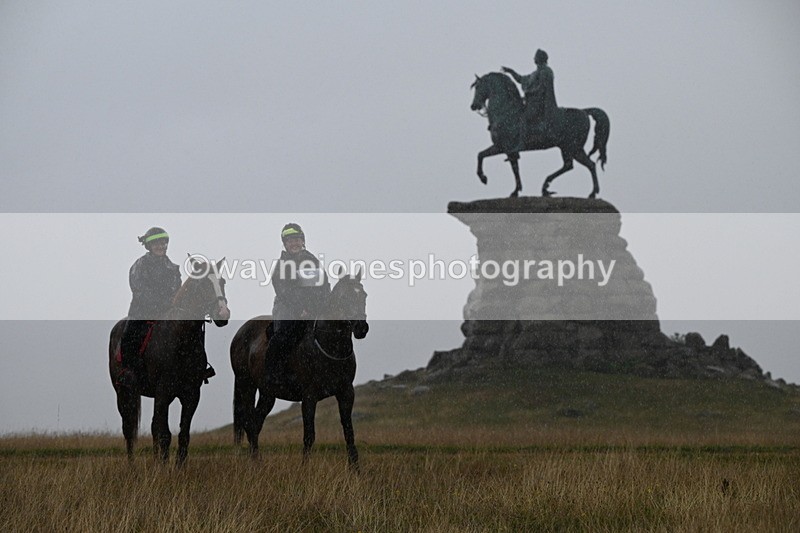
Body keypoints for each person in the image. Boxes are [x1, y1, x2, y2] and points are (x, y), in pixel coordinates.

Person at [118, 227, 214, 389]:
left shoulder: (173, 268)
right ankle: (128, 371)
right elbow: (139, 290)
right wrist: (161, 303)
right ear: (149, 246)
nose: (161, 246)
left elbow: (177, 291)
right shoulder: (140, 265)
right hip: (143, 313)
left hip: (167, 313)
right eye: (156, 243)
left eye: (163, 242)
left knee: (194, 330)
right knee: (130, 334)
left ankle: (198, 368)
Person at [265, 223, 330, 373]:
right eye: (289, 241)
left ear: (302, 241)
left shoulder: (313, 261)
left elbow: (324, 285)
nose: (294, 243)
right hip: (288, 309)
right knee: (282, 336)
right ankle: (272, 373)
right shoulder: (282, 265)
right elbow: (283, 292)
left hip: (313, 309)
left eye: (296, 239)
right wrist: (300, 310)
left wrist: (323, 305)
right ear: (285, 244)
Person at [502, 49, 558, 143]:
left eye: (535, 57)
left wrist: (528, 93)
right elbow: (521, 79)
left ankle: (522, 142)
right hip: (532, 102)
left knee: (523, 118)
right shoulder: (535, 73)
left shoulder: (546, 71)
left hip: (541, 104)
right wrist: (511, 71)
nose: (534, 59)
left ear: (540, 59)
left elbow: (542, 89)